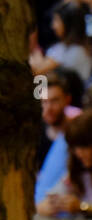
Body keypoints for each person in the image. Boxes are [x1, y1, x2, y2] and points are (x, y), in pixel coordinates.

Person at [36, 67, 83, 207]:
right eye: (44, 102)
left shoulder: (80, 132)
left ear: (67, 100)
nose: (48, 108)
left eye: (54, 101)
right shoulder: (35, 134)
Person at [32, 0, 92, 83]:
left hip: (69, 94)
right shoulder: (82, 48)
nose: (53, 26)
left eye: (56, 20)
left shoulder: (69, 50)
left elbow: (36, 72)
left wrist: (35, 49)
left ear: (67, 24)